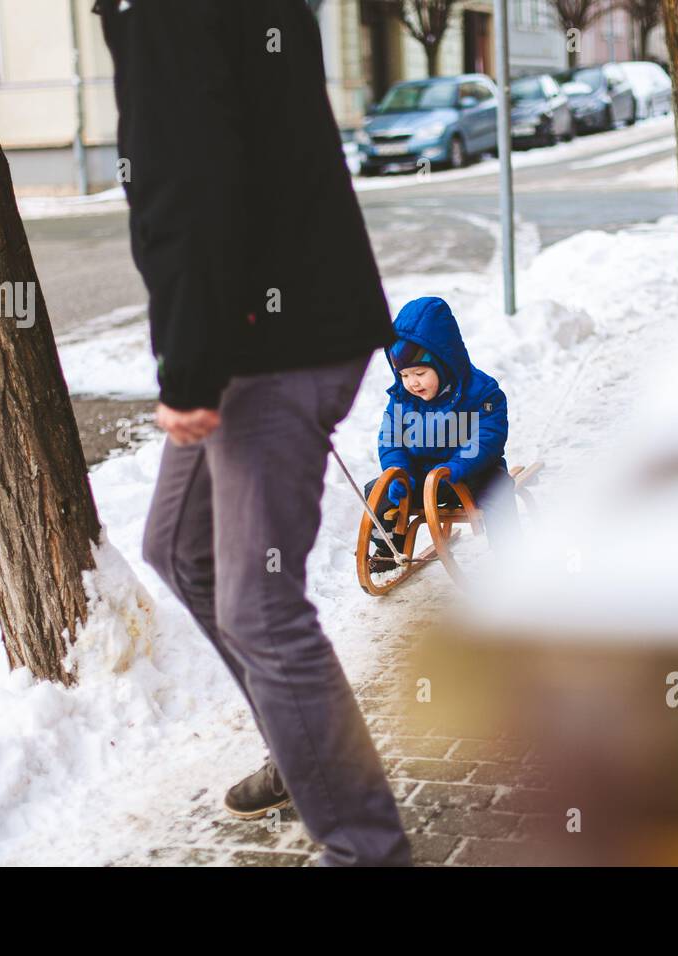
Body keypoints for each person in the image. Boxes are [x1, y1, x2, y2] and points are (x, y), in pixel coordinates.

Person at [95, 0, 411, 866]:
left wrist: (192, 369)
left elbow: (190, 185)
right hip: (270, 327)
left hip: (270, 344)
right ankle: (301, 742)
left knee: (261, 610)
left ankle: (366, 848)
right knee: (179, 549)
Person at [363, 296, 520, 568]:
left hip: (470, 475)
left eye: (420, 373)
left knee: (499, 491)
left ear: (444, 363)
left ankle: (513, 556)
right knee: (377, 489)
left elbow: (488, 436)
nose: (412, 383)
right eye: (404, 375)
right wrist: (399, 471)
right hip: (419, 478)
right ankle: (389, 549)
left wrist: (458, 466)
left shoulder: (480, 392)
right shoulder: (402, 399)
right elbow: (391, 439)